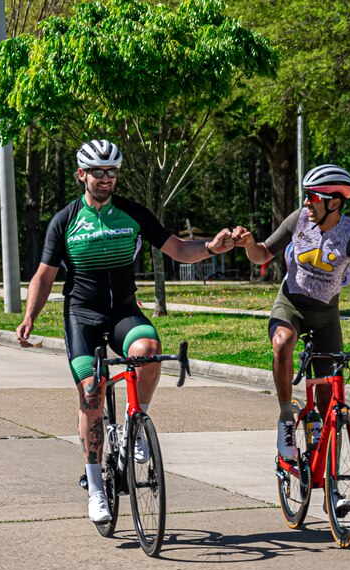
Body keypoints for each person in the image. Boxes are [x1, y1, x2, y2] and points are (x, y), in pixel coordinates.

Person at [15, 139, 236, 524]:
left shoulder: (132, 213)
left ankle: (137, 424)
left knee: (149, 351)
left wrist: (212, 249)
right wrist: (30, 316)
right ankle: (96, 487)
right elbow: (44, 276)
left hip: (123, 313)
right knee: (91, 393)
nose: (106, 179)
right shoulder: (65, 220)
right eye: (98, 172)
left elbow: (179, 249)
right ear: (82, 175)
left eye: (112, 172)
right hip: (82, 315)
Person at [232, 164, 350, 478]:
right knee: (283, 342)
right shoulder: (299, 220)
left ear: (334, 202)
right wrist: (249, 244)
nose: (306, 203)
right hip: (291, 305)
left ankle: (331, 481)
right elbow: (262, 254)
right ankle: (287, 418)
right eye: (306, 196)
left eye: (312, 197)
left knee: (330, 404)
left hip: (326, 316)